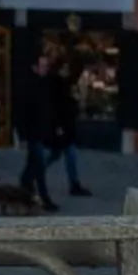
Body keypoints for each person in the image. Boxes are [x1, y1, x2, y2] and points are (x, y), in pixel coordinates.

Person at [12, 43, 60, 213]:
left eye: (47, 66)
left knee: (33, 166)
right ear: (34, 67)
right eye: (43, 66)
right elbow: (20, 113)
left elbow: (49, 109)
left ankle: (23, 187)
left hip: (44, 132)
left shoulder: (45, 84)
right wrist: (23, 136)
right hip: (34, 134)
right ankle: (44, 200)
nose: (46, 68)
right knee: (39, 168)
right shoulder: (27, 87)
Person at [45, 56, 94, 199]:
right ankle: (73, 185)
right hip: (60, 126)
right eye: (64, 68)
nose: (66, 71)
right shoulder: (55, 84)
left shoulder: (65, 83)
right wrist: (58, 125)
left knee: (63, 154)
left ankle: (74, 184)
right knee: (60, 154)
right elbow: (54, 107)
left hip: (66, 125)